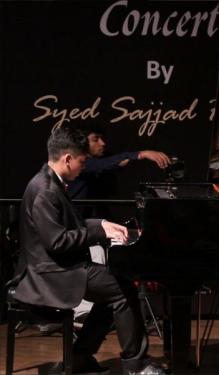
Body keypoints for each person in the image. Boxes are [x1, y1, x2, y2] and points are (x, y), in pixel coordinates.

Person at [12, 126, 168, 375]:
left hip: (59, 267)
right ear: (68, 159)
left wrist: (102, 224)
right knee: (123, 289)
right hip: (50, 274)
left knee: (116, 289)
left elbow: (70, 227)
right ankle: (136, 365)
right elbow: (57, 242)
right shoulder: (45, 190)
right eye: (83, 162)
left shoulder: (51, 182)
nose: (85, 166)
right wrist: (98, 233)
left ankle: (80, 358)